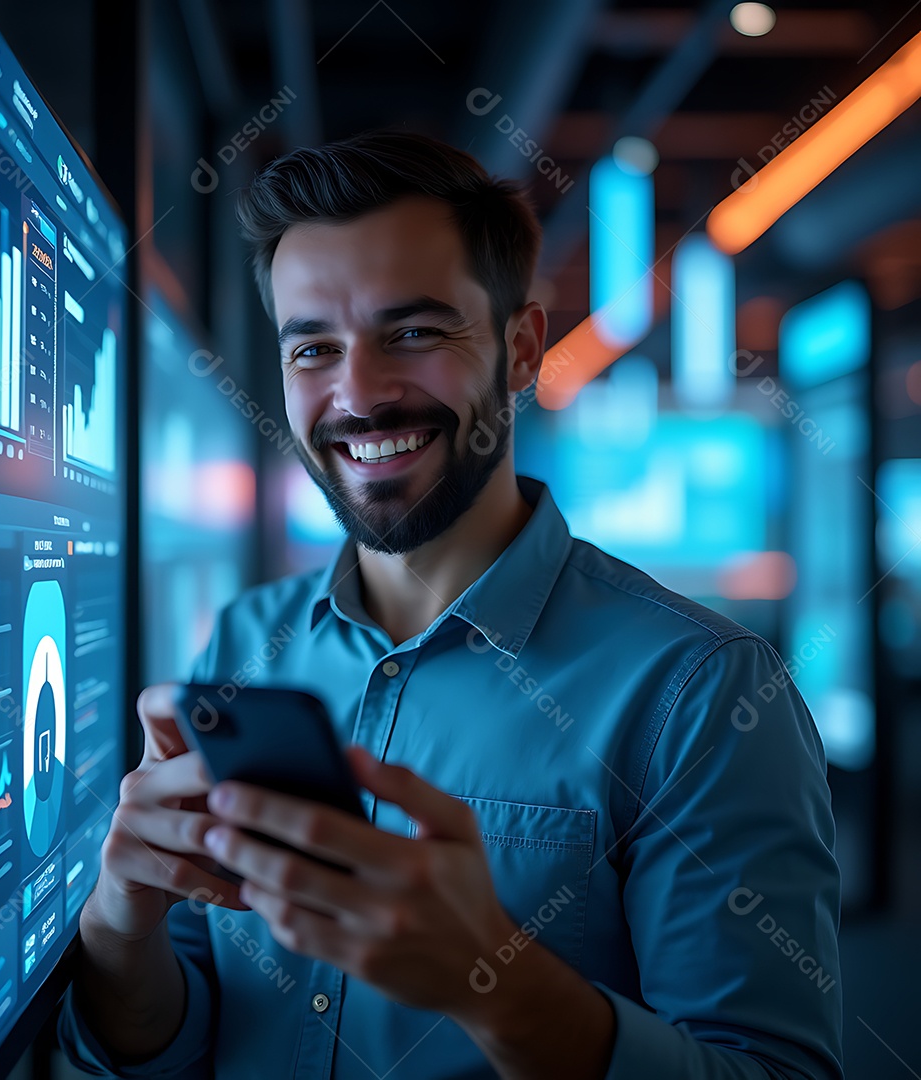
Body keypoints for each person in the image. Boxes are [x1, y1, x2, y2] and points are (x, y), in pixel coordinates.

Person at [58, 130, 844, 1079]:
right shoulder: (245, 641)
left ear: (520, 348)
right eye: (314, 348)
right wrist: (120, 917)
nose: (360, 394)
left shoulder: (699, 693)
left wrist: (490, 983)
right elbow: (176, 1041)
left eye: (415, 333)